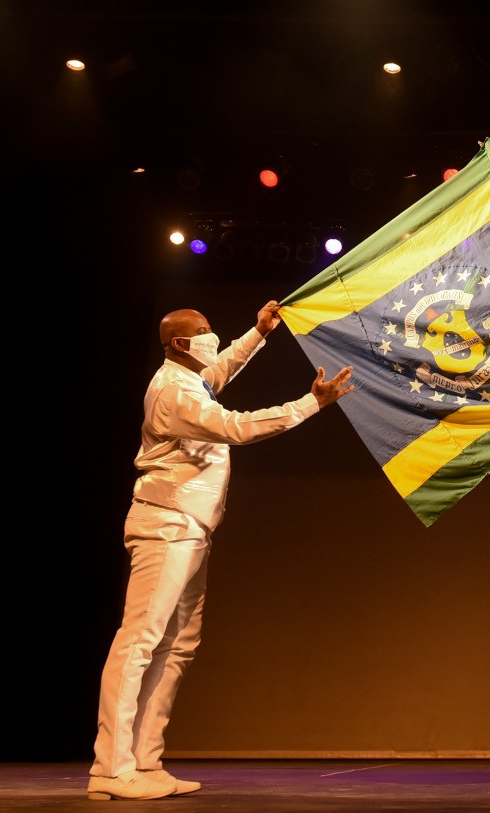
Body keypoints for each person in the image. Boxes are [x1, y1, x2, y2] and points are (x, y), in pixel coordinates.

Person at [87, 300, 354, 801]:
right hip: (165, 522)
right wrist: (309, 404)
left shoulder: (190, 378)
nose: (213, 337)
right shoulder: (173, 391)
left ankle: (144, 761)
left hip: (191, 525)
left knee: (178, 644)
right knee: (140, 640)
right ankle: (111, 766)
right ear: (181, 344)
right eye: (205, 331)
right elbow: (235, 426)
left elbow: (219, 370)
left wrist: (257, 333)